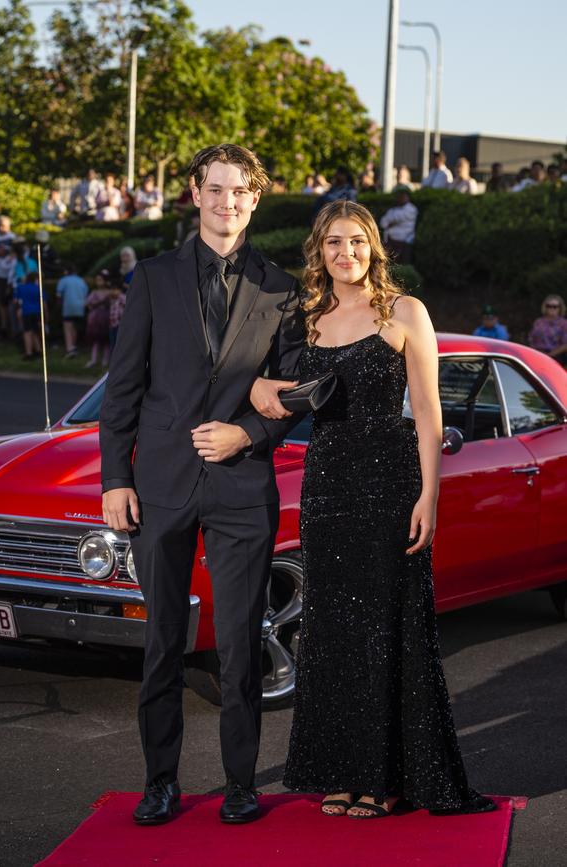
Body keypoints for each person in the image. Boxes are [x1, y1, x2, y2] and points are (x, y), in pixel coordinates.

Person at [252, 199, 496, 819]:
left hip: (391, 482)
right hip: (327, 483)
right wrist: (261, 393)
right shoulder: (306, 317)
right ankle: (343, 772)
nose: (346, 253)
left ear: (373, 247)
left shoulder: (405, 312)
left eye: (357, 241)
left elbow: (429, 414)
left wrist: (430, 495)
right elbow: (266, 385)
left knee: (388, 630)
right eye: (333, 242)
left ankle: (386, 777)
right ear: (319, 251)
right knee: (334, 631)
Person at [100, 143, 304, 827]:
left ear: (255, 198)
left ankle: (241, 782)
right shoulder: (154, 277)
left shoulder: (281, 287)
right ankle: (161, 780)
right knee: (163, 641)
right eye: (215, 189)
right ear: (194, 193)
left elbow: (295, 393)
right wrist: (114, 478)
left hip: (243, 487)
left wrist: (247, 433)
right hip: (161, 484)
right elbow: (123, 388)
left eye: (240, 190)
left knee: (241, 642)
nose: (227, 202)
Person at [56, 263, 89, 358]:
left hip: (68, 307)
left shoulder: (63, 280)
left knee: (67, 327)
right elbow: (85, 294)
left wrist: (59, 306)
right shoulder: (81, 281)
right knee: (75, 327)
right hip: (80, 307)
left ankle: (69, 348)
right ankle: (73, 346)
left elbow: (58, 295)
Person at [379, 185, 418, 264]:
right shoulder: (393, 209)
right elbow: (383, 223)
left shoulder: (412, 209)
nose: (400, 197)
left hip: (404, 243)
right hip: (390, 242)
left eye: (403, 195)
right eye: (399, 195)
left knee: (402, 267)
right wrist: (391, 222)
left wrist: (391, 222)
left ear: (408, 197)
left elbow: (395, 218)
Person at [14, 271, 47, 360]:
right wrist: (45, 315)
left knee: (27, 332)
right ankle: (39, 350)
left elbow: (16, 301)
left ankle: (29, 353)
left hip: (26, 312)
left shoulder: (21, 288)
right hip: (37, 312)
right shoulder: (38, 288)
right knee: (35, 332)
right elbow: (44, 303)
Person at [528, 295, 567, 366]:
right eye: (549, 306)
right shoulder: (538, 322)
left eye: (555, 306)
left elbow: (565, 345)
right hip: (536, 355)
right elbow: (531, 339)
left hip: (555, 358)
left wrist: (550, 355)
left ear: (560, 308)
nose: (552, 308)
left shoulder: (563, 324)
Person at [84, 269, 112, 368]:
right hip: (95, 318)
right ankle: (94, 359)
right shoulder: (94, 292)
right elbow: (87, 304)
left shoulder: (110, 292)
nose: (98, 282)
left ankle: (105, 359)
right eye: (97, 280)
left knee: (105, 340)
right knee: (95, 339)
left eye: (100, 280)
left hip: (106, 317)